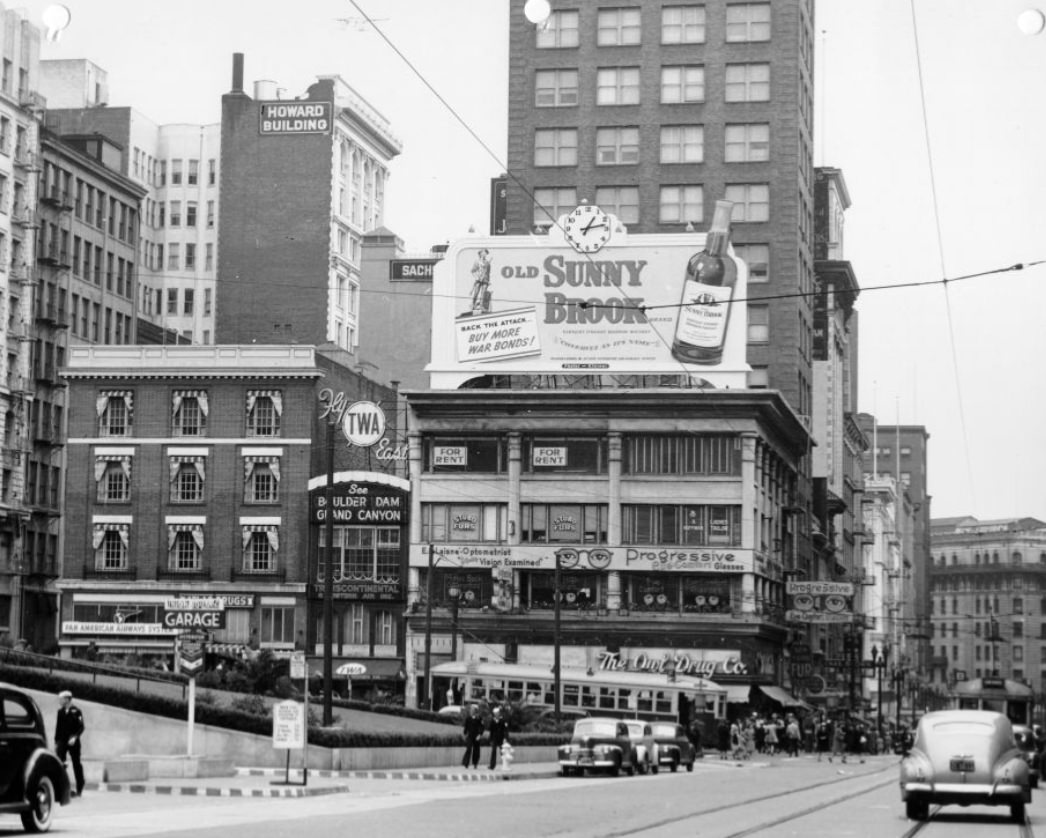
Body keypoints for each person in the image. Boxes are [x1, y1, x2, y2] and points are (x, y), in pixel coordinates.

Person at [55, 690, 85, 796]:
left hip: (73, 742)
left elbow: (81, 727)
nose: (59, 701)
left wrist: (75, 737)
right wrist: (56, 742)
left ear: (67, 699)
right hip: (62, 741)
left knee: (76, 764)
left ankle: (79, 788)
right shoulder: (60, 712)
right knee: (60, 764)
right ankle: (63, 788)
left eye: (61, 699)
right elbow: (58, 728)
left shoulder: (77, 711)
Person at [461, 704, 484, 770]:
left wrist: (480, 734)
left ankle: (475, 763)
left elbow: (482, 727)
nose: (471, 711)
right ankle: (466, 763)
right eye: (471, 710)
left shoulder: (479, 718)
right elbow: (466, 727)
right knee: (468, 749)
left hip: (477, 736)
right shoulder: (468, 718)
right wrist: (464, 734)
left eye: (472, 710)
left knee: (476, 751)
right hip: (470, 736)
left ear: (475, 711)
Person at [488, 705, 510, 770]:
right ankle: (492, 765)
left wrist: (505, 738)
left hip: (501, 738)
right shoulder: (492, 721)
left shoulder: (503, 721)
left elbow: (506, 730)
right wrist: (490, 739)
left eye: (497, 713)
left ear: (499, 714)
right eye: (495, 714)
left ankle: (505, 764)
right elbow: (491, 731)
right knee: (493, 751)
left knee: (502, 752)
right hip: (494, 738)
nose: (496, 715)